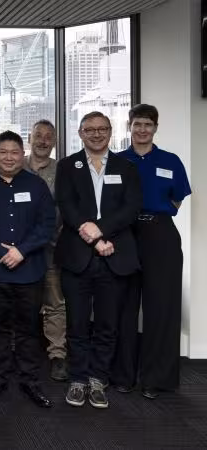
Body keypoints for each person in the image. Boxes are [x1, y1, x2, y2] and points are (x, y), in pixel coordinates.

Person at [55, 111, 142, 409]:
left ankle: (98, 379)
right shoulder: (68, 166)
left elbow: (131, 208)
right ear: (80, 133)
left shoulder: (126, 167)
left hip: (114, 257)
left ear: (110, 131)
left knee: (108, 324)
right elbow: (66, 205)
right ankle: (78, 379)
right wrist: (94, 238)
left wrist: (102, 231)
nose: (96, 134)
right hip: (77, 257)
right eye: (89, 129)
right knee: (77, 324)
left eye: (102, 129)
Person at [113, 104, 192, 399]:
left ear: (155, 128)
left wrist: (152, 217)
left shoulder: (170, 161)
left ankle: (155, 379)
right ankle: (122, 374)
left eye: (148, 124)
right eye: (137, 124)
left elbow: (176, 200)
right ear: (129, 127)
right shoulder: (118, 161)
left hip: (160, 236)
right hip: (124, 235)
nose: (142, 129)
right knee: (124, 306)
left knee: (162, 309)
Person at [0, 131, 55, 408]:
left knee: (29, 327)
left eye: (14, 152)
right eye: (3, 152)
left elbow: (47, 225)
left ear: (24, 154)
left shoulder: (37, 186)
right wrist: (2, 251)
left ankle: (30, 379)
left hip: (30, 269)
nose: (9, 157)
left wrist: (21, 250)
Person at [24, 119, 68, 382]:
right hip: (19, 251)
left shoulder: (62, 171)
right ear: (29, 138)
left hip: (51, 248)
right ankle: (19, 349)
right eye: (38, 135)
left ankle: (57, 355)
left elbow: (69, 209)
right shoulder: (16, 166)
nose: (42, 140)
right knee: (21, 302)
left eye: (48, 137)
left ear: (54, 142)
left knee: (55, 303)